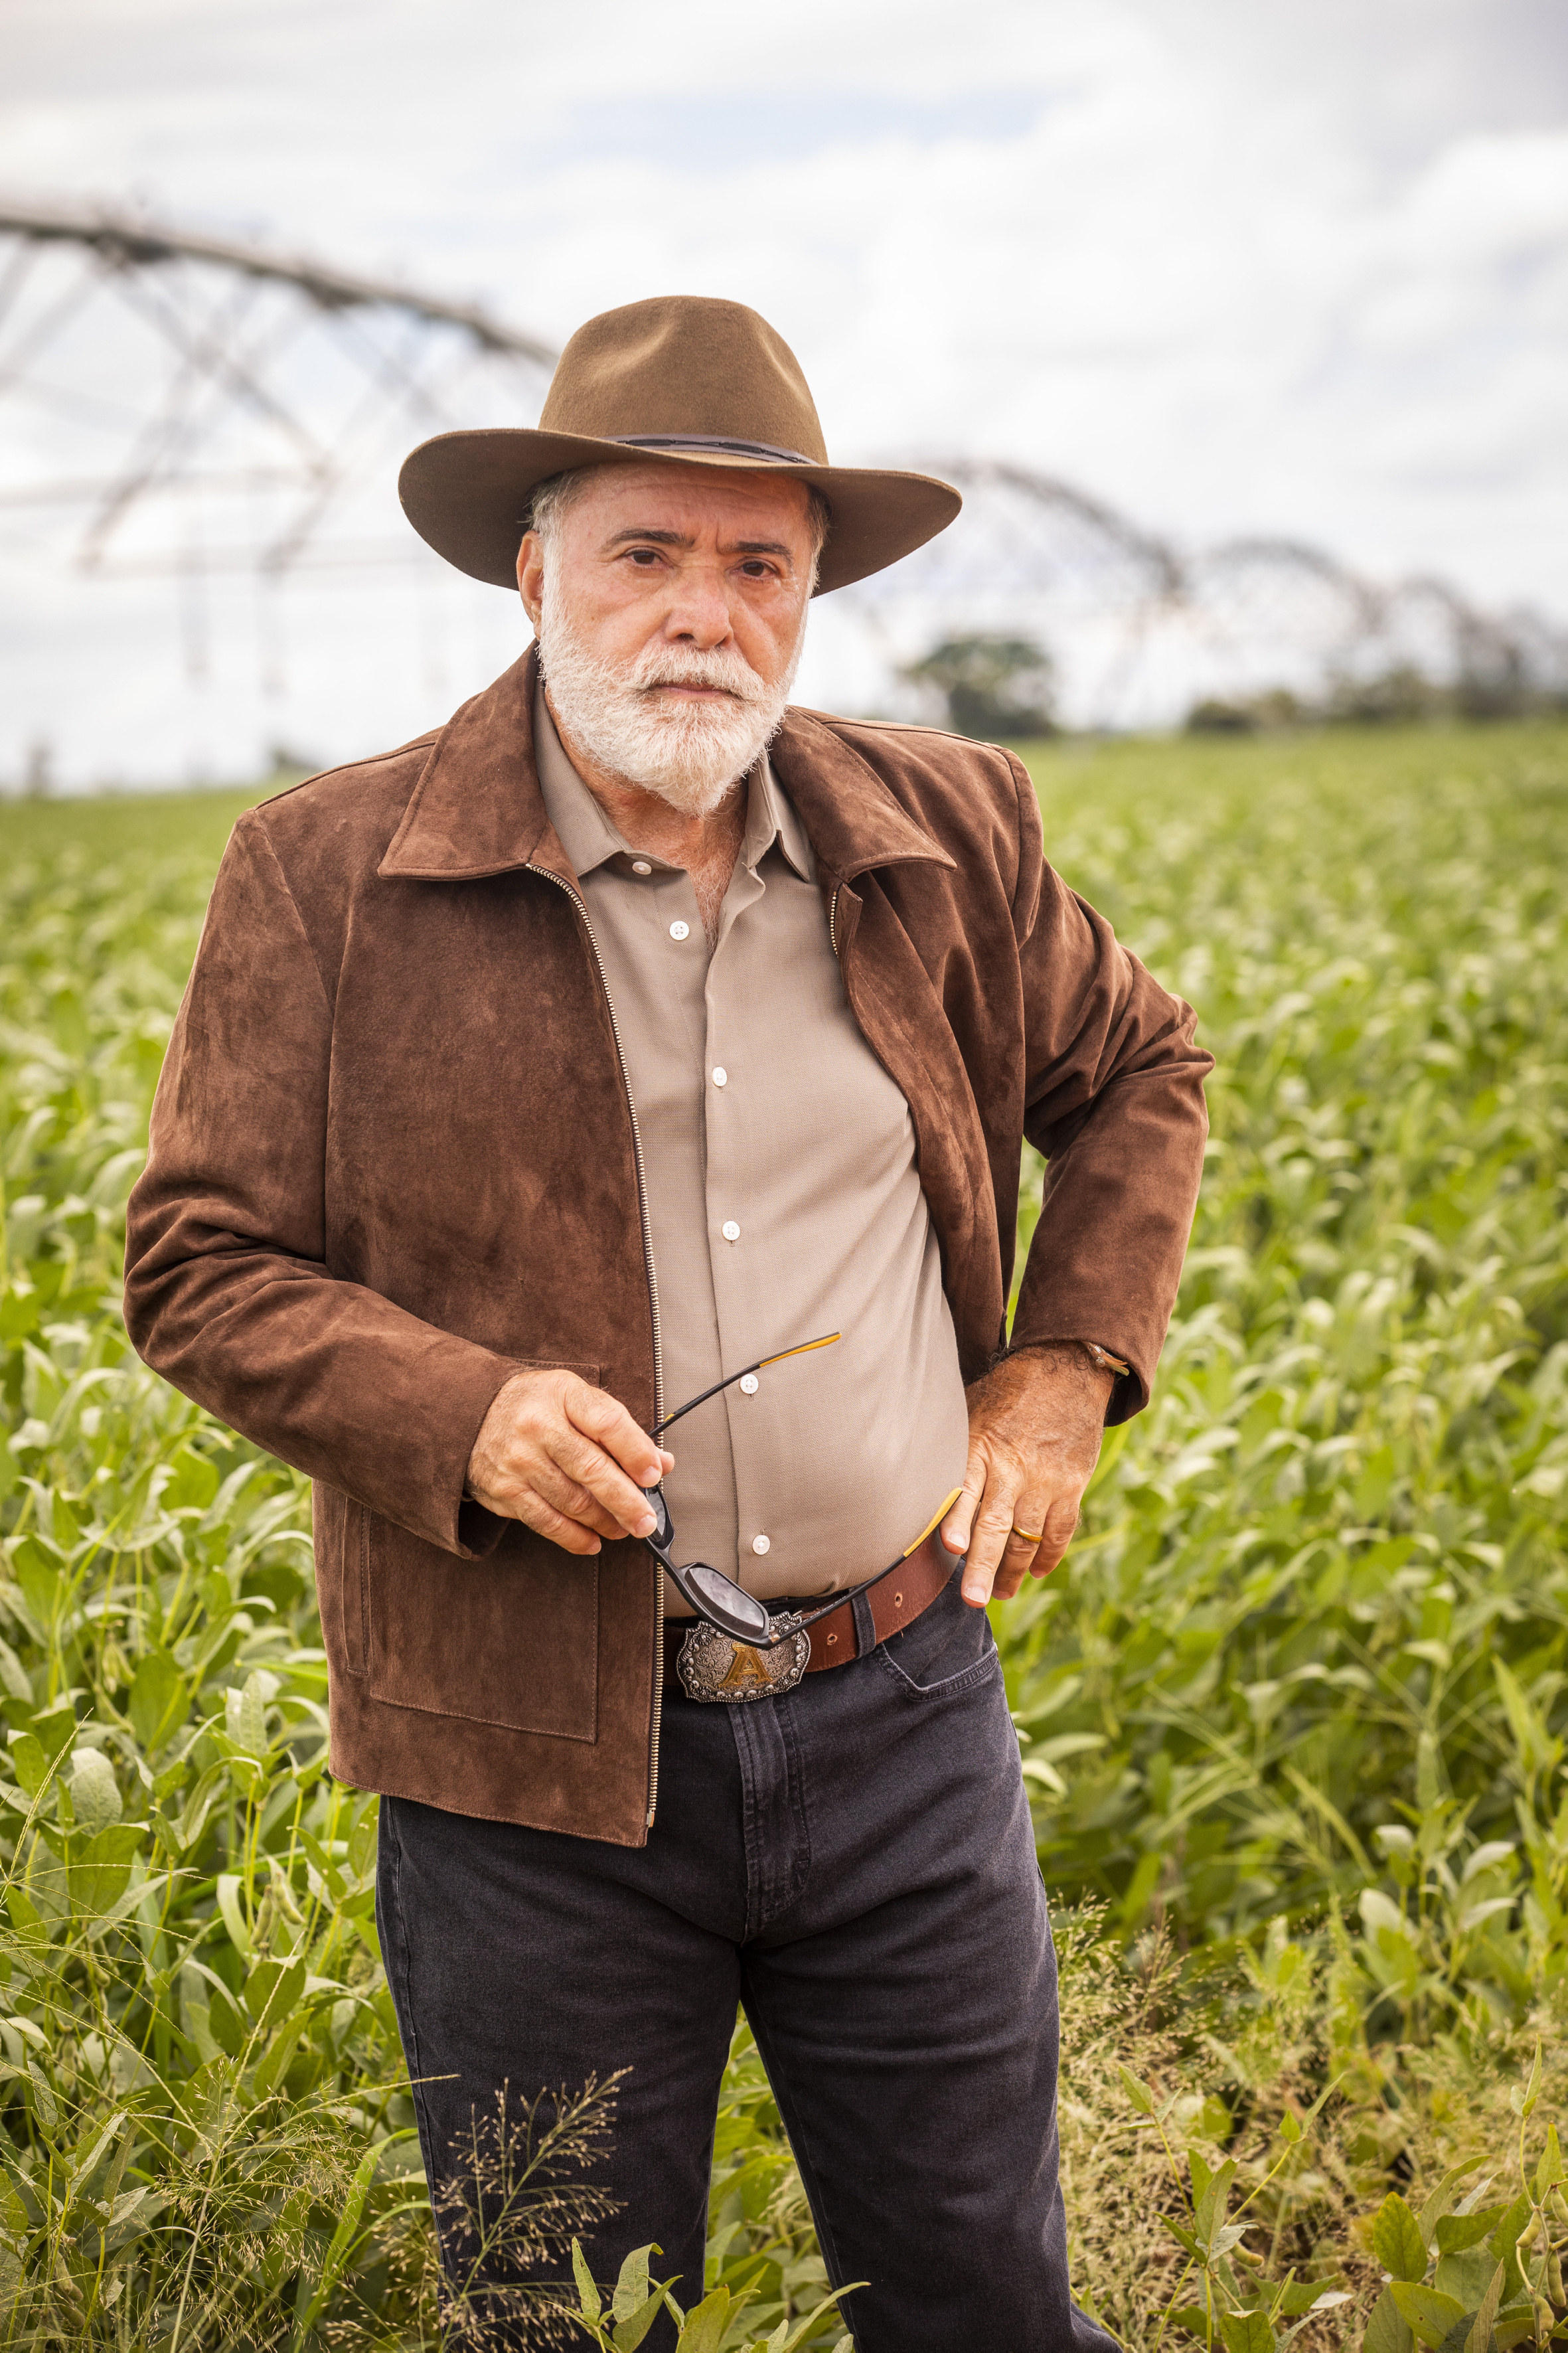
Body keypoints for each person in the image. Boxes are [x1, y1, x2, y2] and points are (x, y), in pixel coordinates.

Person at [124, 294, 1211, 2351]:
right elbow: (198, 1259)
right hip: (526, 1757)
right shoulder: (326, 875)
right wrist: (455, 1412)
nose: (702, 614)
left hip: (901, 1712)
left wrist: (1064, 1374)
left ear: (808, 597)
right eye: (644, 553)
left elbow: (1144, 1067)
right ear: (531, 572)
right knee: (570, 2322)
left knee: (980, 2296)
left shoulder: (944, 833)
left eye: (758, 565)